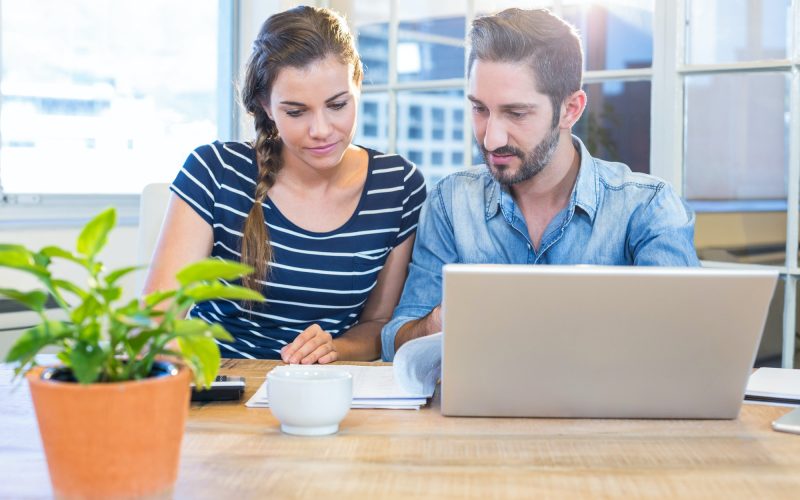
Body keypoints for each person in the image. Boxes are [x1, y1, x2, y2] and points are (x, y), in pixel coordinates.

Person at [381, 8, 700, 361]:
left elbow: (686, 347)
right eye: (479, 109)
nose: (490, 139)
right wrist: (437, 323)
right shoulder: (451, 202)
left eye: (516, 113)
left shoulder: (647, 208)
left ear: (571, 109)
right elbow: (396, 339)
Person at [144, 6, 426, 364]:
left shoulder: (398, 187)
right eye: (296, 111)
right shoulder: (216, 171)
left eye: (338, 105)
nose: (321, 130)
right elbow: (155, 325)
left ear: (358, 83)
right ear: (266, 106)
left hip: (326, 384)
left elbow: (380, 325)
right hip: (222, 381)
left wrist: (334, 349)